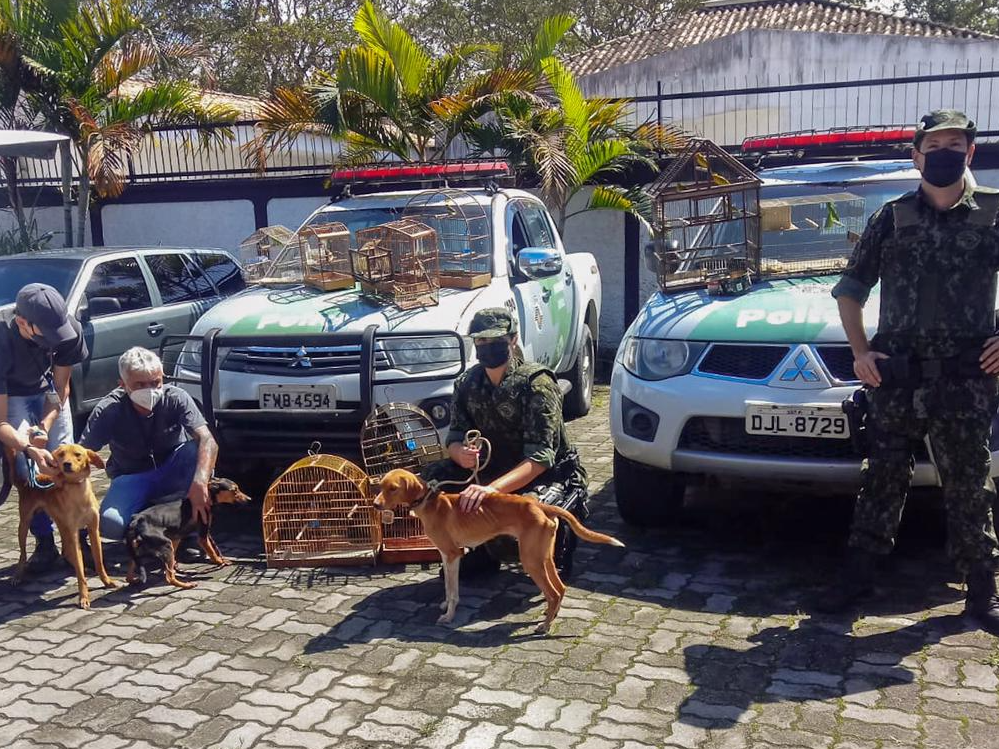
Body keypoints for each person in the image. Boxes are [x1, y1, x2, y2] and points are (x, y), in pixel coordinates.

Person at [826, 109, 999, 633]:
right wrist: (859, 353)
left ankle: (983, 589)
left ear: (969, 153)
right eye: (935, 143)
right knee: (881, 479)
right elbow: (850, 290)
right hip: (896, 378)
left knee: (969, 482)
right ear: (916, 154)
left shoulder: (992, 214)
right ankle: (857, 577)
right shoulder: (892, 217)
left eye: (955, 143)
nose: (945, 151)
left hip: (964, 379)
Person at [422, 307, 588, 574]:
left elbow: (541, 458)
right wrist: (460, 454)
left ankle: (555, 544)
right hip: (492, 468)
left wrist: (491, 491)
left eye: (495, 340)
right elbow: (454, 436)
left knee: (520, 524)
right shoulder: (468, 382)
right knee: (432, 479)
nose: (486, 347)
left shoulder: (538, 384)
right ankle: (469, 544)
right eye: (481, 341)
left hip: (543, 475)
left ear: (513, 339)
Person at [79, 346, 218, 541]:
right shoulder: (109, 409)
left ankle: (189, 532)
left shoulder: (177, 397)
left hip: (172, 469)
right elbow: (81, 453)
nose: (150, 391)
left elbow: (207, 439)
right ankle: (147, 513)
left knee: (196, 450)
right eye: (140, 385)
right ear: (123, 385)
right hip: (130, 476)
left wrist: (200, 482)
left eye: (155, 382)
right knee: (111, 526)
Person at [0, 283, 88, 570]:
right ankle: (45, 542)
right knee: (30, 472)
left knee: (67, 462)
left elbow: (60, 387)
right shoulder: (2, 340)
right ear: (22, 322)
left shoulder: (68, 330)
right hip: (11, 395)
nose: (54, 341)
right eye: (46, 335)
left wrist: (45, 426)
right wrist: (28, 447)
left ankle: (78, 538)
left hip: (47, 391)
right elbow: (0, 422)